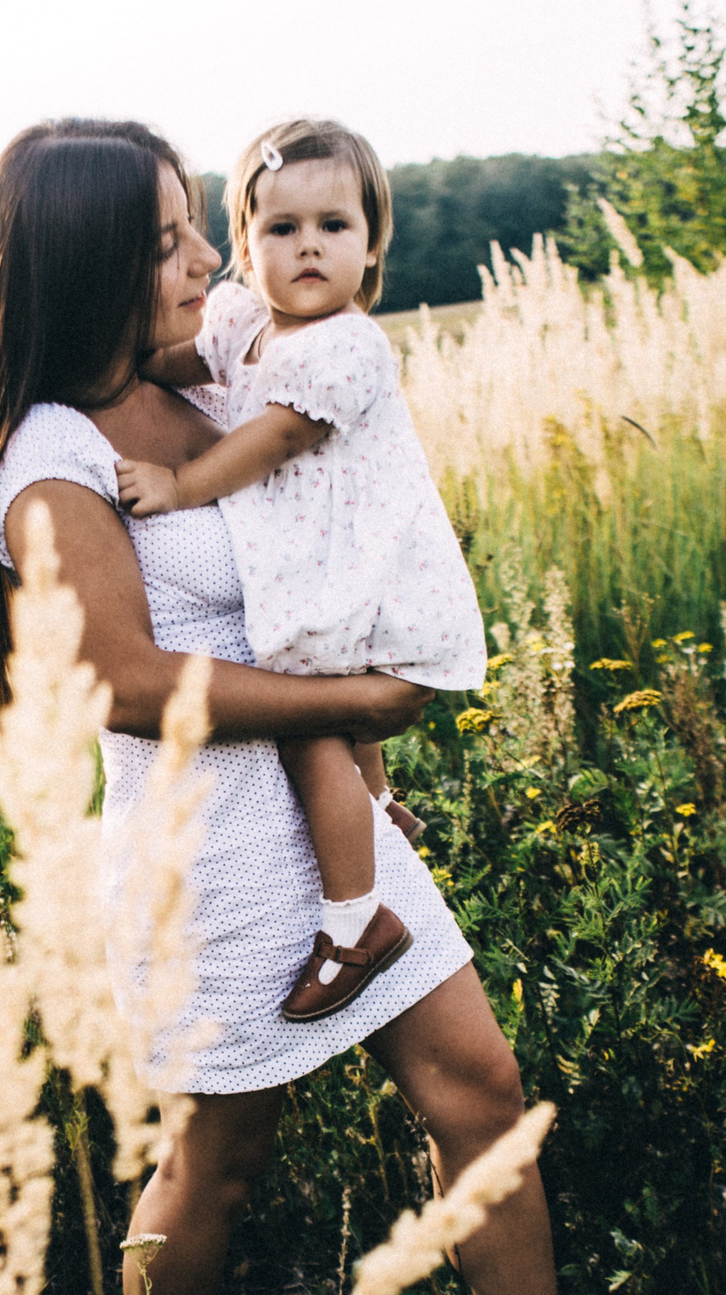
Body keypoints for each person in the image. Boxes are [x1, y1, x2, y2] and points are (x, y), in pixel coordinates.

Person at [0, 117, 706, 1295]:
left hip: (331, 815)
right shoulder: (50, 456)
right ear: (88, 261)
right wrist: (353, 696)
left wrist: (351, 751)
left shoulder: (204, 389)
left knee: (481, 1089)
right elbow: (118, 679)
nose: (204, 257)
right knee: (219, 1159)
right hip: (211, 852)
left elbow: (302, 560)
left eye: (198, 227)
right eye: (173, 236)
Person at [115, 118, 485, 1026]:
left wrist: (180, 482)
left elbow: (273, 438)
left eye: (335, 226)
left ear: (372, 244)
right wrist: (113, 361)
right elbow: (169, 359)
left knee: (311, 723)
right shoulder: (243, 321)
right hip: (323, 570)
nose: (309, 245)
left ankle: (356, 921)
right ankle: (382, 804)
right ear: (244, 246)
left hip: (364, 569)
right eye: (281, 230)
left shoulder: (346, 347)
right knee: (327, 682)